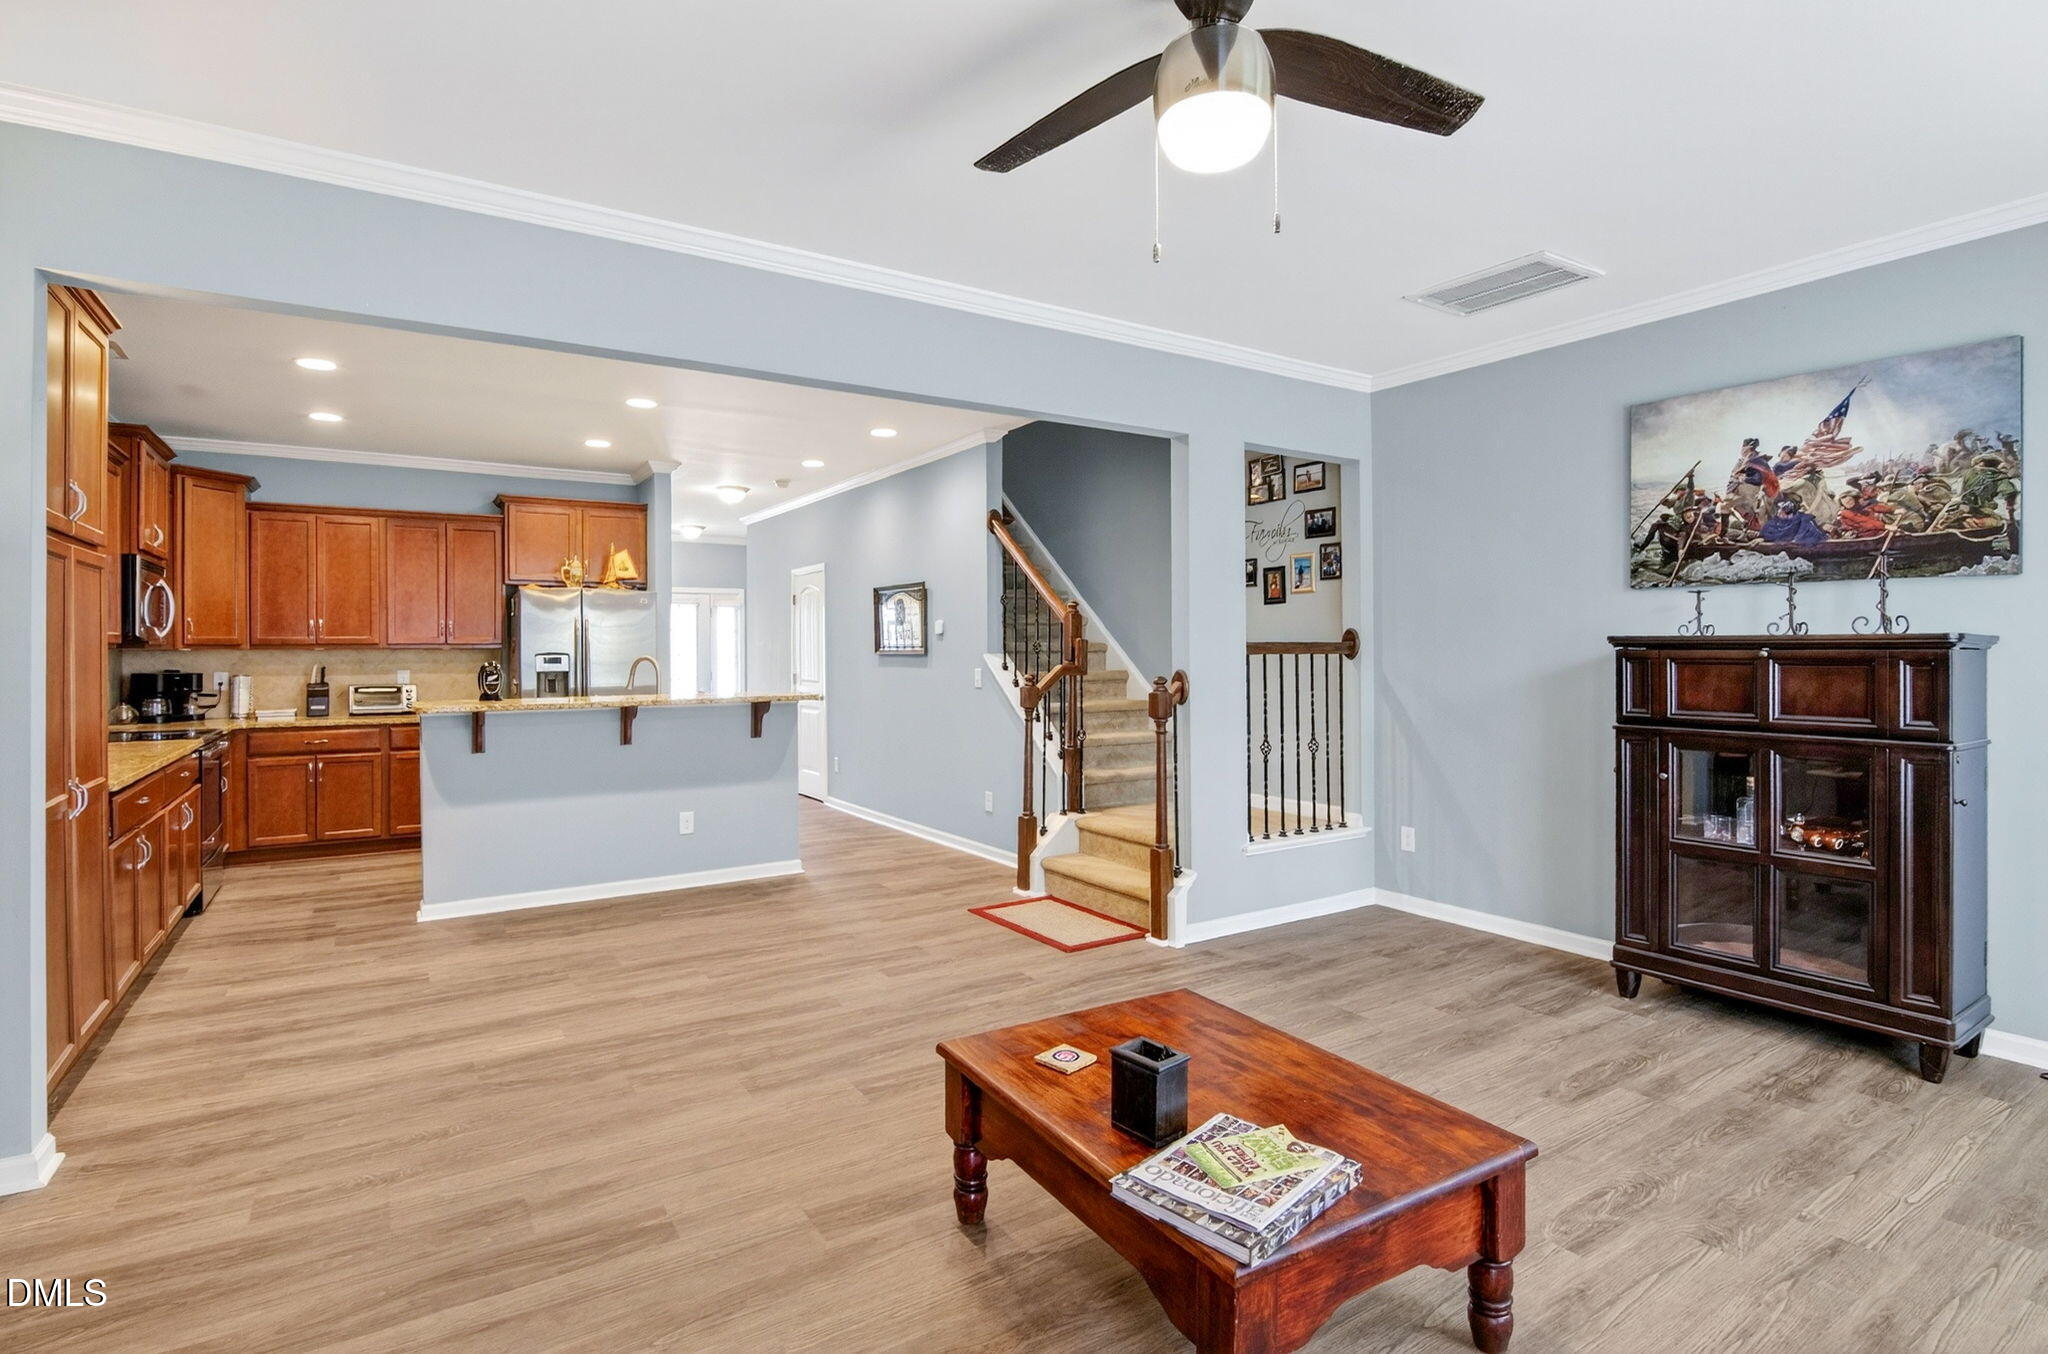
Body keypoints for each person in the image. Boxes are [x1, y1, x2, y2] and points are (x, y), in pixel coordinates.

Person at [1760, 495, 1826, 547]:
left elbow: (1813, 533)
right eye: (1780, 510)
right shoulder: (1775, 521)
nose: (1779, 512)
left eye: (1782, 511)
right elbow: (1767, 530)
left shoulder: (1802, 520)